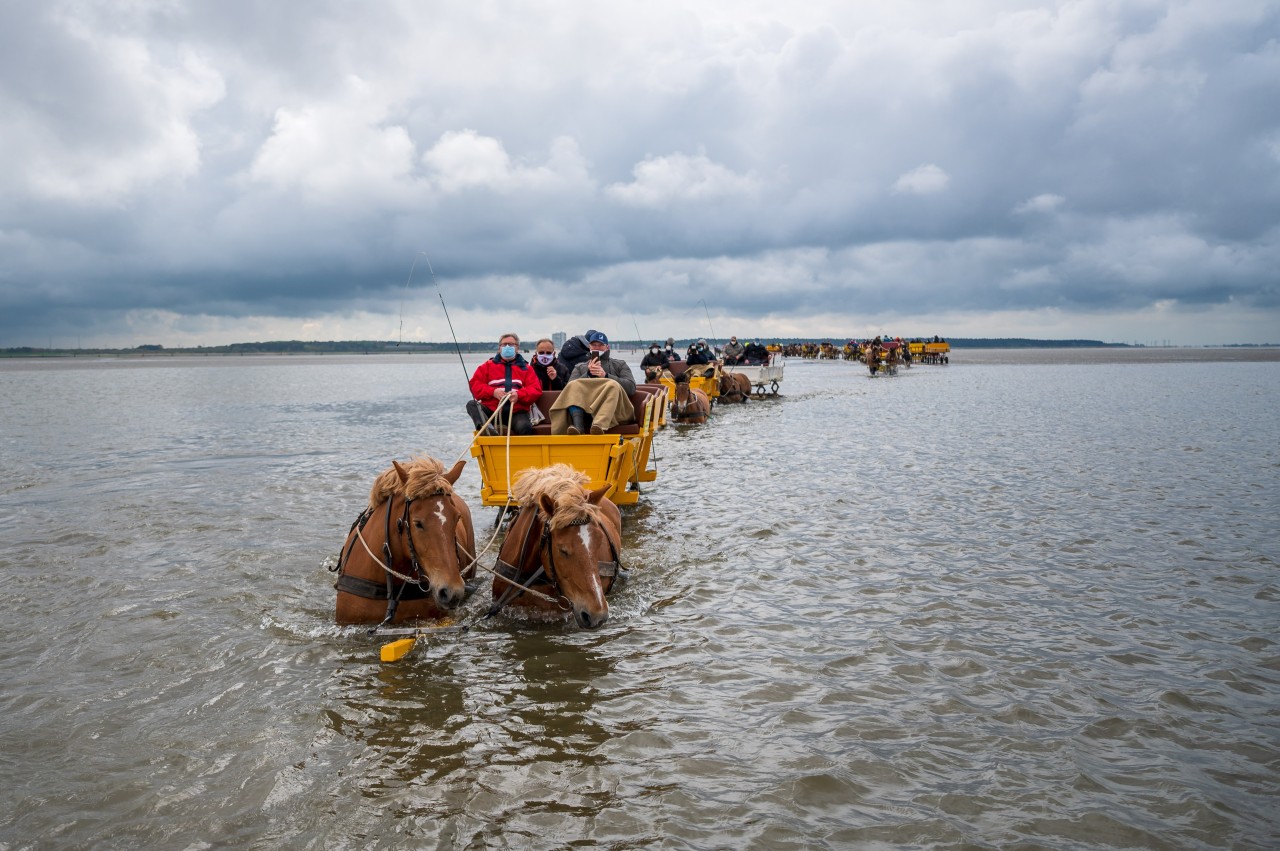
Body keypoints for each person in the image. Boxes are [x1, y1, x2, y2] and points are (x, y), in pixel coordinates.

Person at [550, 331, 637, 434]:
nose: (597, 348)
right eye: (594, 345)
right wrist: (588, 374)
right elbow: (569, 391)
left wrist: (606, 376)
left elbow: (631, 388)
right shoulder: (580, 367)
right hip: (587, 413)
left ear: (607, 347)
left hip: (616, 412)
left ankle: (599, 425)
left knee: (612, 385)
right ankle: (578, 426)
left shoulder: (620, 365)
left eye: (600, 345)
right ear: (589, 347)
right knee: (573, 384)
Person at [467, 333, 542, 435]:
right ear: (499, 348)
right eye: (504, 344)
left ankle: (521, 450)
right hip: (492, 410)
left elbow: (536, 390)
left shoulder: (526, 368)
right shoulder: (487, 366)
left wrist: (518, 395)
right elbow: (474, 385)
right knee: (472, 405)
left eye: (511, 344)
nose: (507, 347)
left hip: (516, 411)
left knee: (525, 427)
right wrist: (492, 392)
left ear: (517, 348)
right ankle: (488, 430)